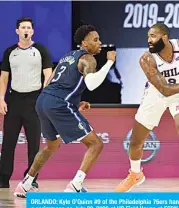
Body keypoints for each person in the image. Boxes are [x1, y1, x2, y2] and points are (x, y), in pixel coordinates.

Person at [13, 24, 116, 198]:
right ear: (84, 43)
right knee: (96, 144)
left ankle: (25, 184)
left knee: (51, 145)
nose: (100, 43)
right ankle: (76, 184)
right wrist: (110, 62)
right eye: (95, 39)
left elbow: (52, 82)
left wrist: (74, 102)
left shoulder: (68, 55)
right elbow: (91, 84)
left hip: (43, 100)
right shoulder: (88, 59)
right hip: (59, 103)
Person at [115, 23, 179, 192]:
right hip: (157, 94)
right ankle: (135, 174)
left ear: (165, 38)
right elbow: (164, 90)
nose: (149, 40)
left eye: (153, 36)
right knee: (136, 141)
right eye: (148, 37)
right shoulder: (147, 59)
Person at [0, 17, 53, 188]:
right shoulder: (10, 52)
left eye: (28, 28)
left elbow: (48, 75)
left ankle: (31, 179)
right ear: (17, 31)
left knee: (34, 144)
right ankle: (3, 178)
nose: (26, 30)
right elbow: (4, 77)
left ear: (32, 31)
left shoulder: (41, 50)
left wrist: (44, 97)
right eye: (23, 27)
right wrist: (1, 98)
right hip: (14, 100)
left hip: (34, 101)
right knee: (8, 142)